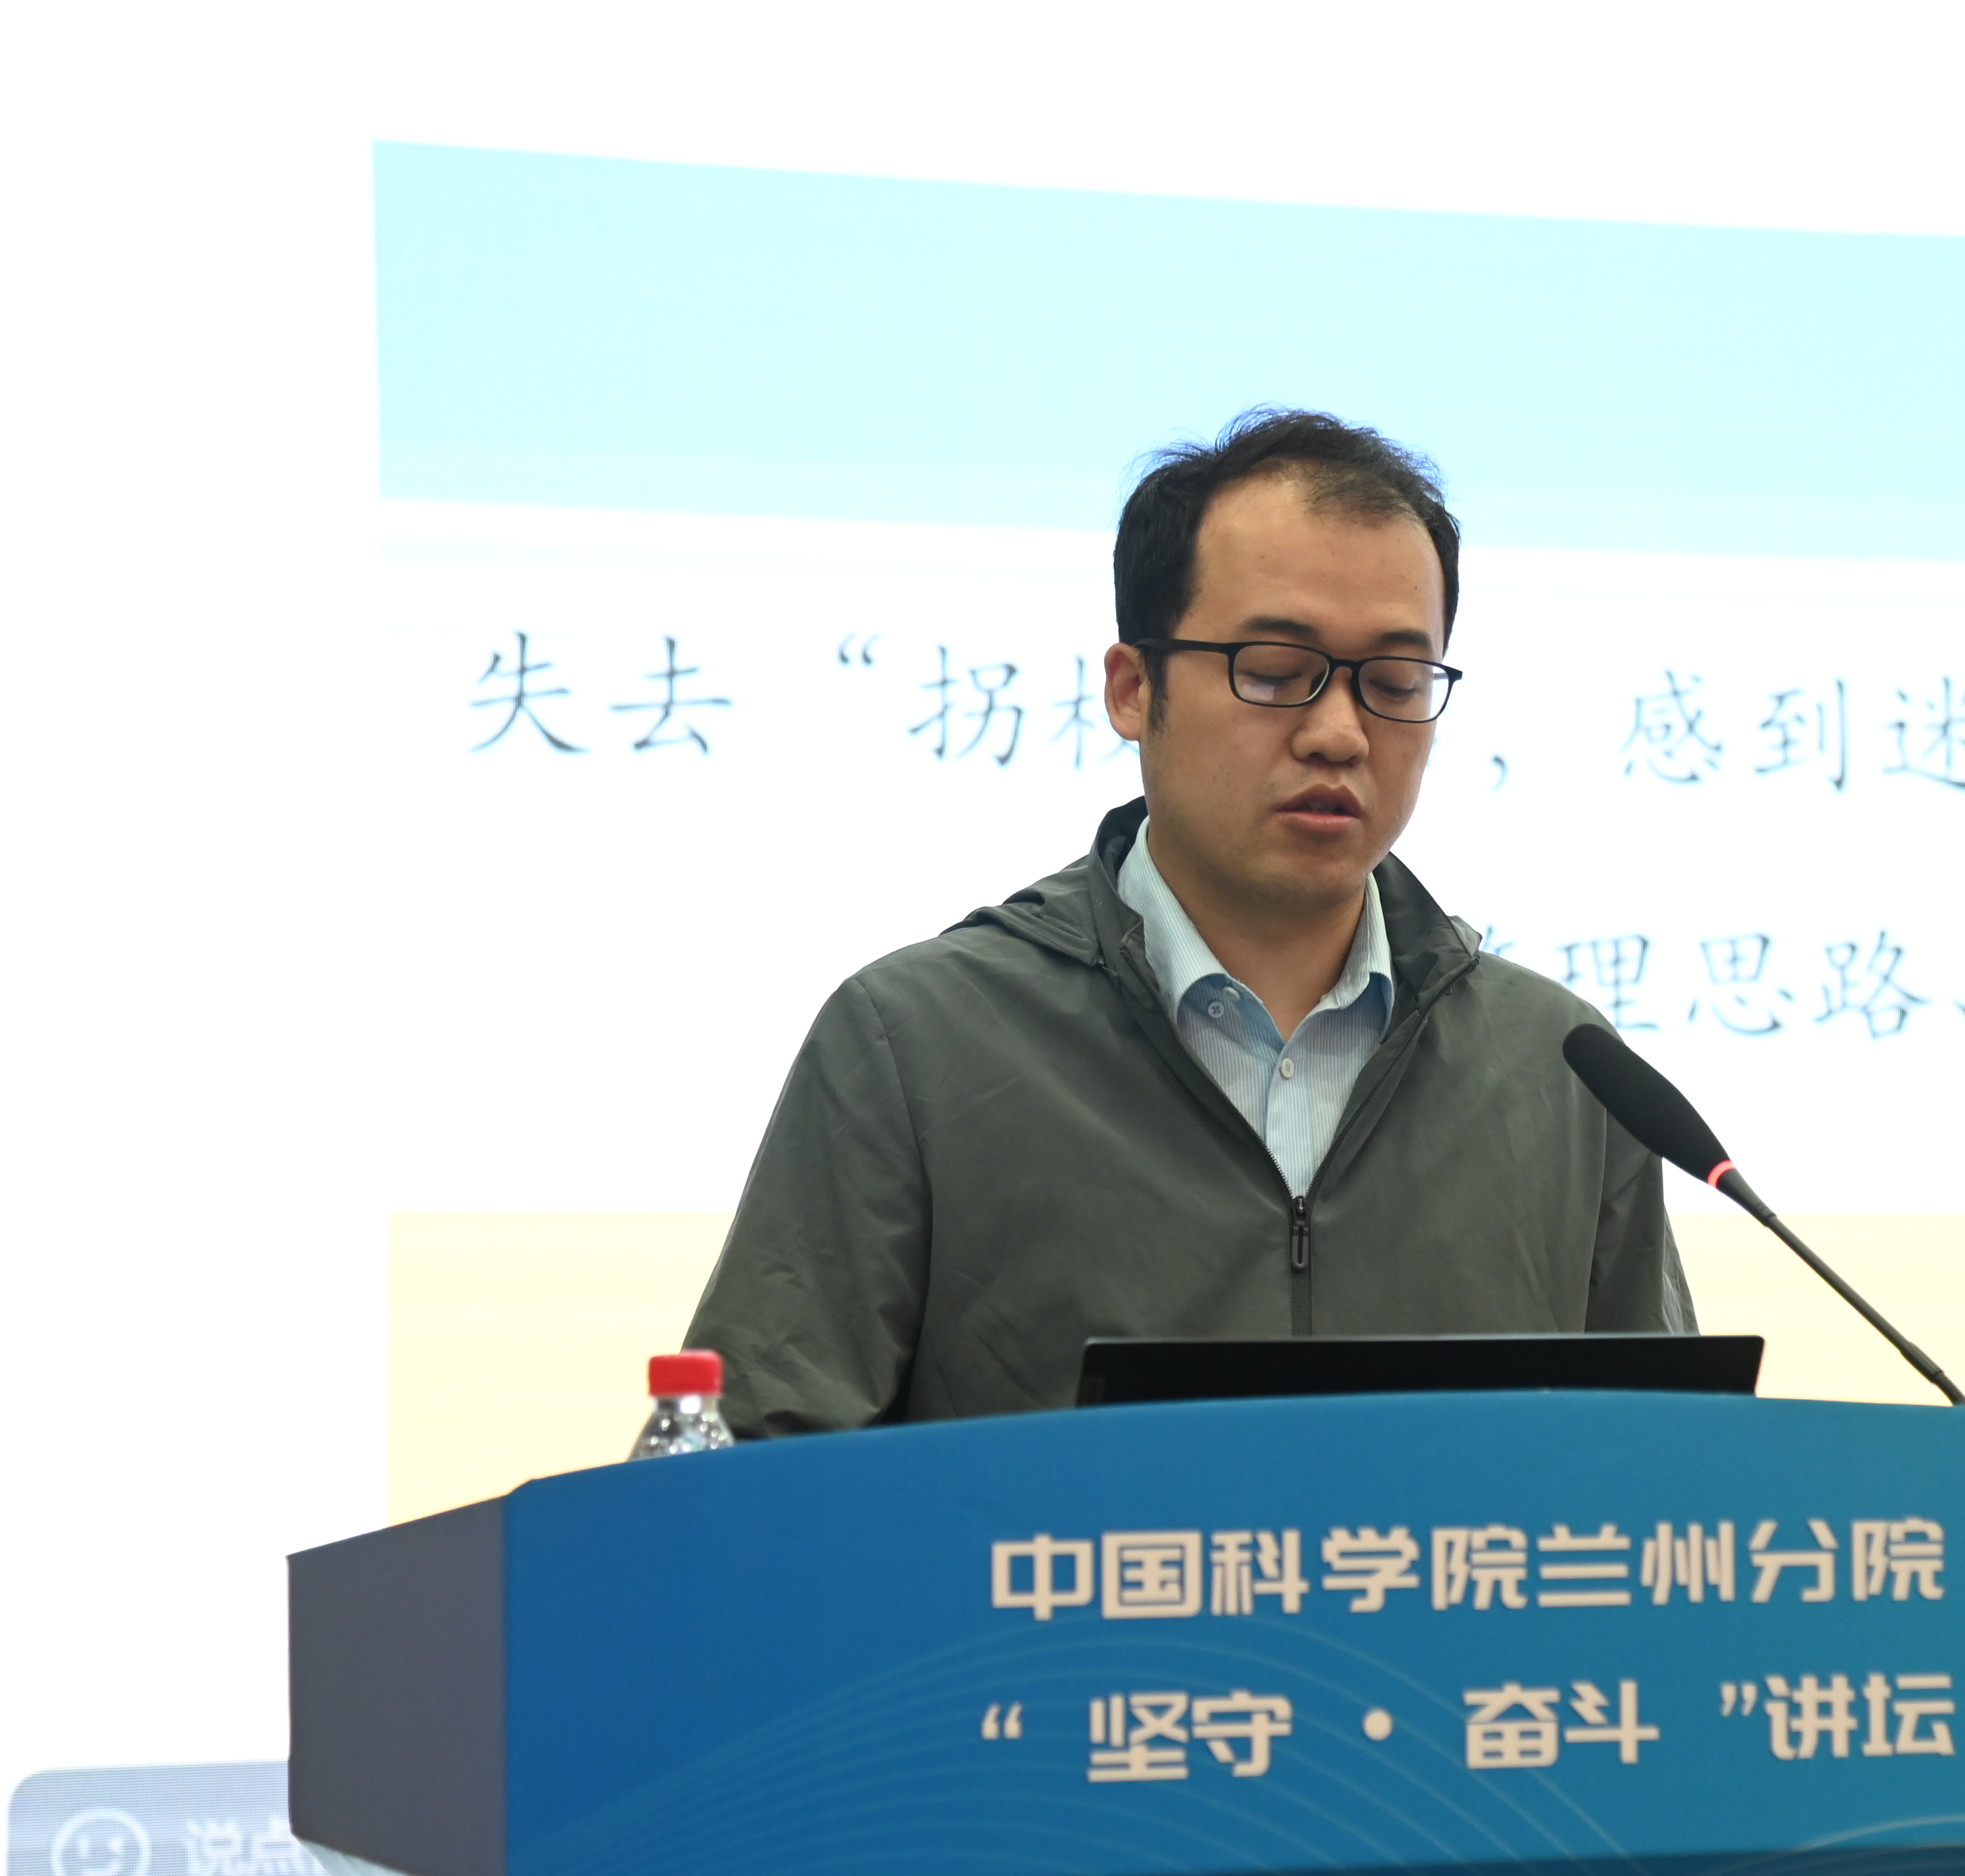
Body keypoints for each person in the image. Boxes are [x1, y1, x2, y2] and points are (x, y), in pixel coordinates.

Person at [687, 407, 1693, 1435]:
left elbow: (1668, 1468)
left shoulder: (1562, 1072)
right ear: (1134, 690)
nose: (1341, 734)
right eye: (1274, 672)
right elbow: (745, 1478)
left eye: (1394, 682)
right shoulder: (917, 1047)